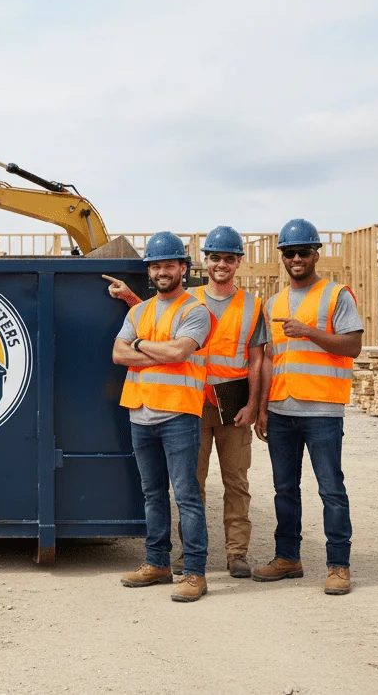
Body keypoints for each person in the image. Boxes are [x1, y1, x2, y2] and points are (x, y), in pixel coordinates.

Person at [107, 225, 266, 578]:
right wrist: (133, 300)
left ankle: (235, 553)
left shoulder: (251, 305)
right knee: (190, 485)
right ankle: (182, 557)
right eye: (214, 258)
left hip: (230, 398)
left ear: (238, 262)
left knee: (234, 481)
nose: (220, 264)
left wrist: (254, 405)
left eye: (228, 258)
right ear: (203, 263)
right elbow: (158, 317)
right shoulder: (190, 299)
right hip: (191, 398)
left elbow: (256, 359)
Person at [253, 218, 362, 596]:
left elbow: (352, 346)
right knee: (284, 489)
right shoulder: (274, 303)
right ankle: (288, 558)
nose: (296, 258)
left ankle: (338, 565)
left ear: (316, 254)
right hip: (283, 409)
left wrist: (310, 331)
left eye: (303, 252)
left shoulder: (336, 295)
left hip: (322, 411)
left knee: (331, 489)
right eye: (289, 253)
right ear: (282, 257)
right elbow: (269, 358)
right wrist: (264, 407)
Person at [109, 231, 212, 602]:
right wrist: (155, 350)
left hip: (178, 415)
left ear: (182, 268)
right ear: (149, 271)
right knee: (152, 494)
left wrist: (139, 344)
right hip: (140, 413)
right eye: (156, 266)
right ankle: (157, 563)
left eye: (169, 264)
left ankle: (195, 572)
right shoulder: (139, 311)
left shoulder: (195, 310)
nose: (162, 271)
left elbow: (180, 352)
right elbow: (119, 355)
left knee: (186, 495)